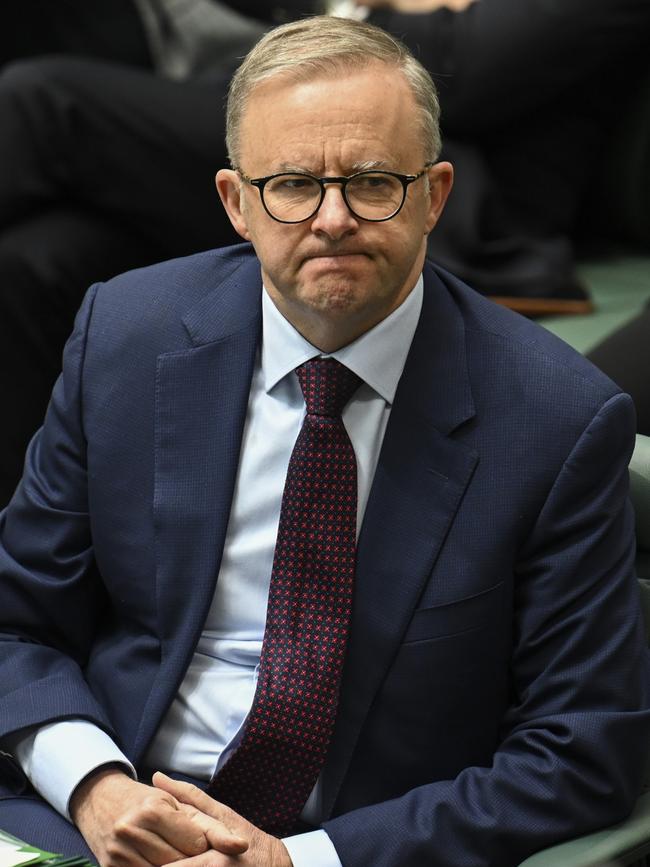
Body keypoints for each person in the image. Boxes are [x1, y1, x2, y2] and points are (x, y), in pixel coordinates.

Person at [0, 15, 649, 867]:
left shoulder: (557, 420)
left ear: (434, 195)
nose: (333, 219)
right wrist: (94, 785)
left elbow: (580, 750)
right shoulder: (124, 337)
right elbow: (16, 624)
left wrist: (297, 861)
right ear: (236, 202)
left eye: (374, 182)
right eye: (294, 185)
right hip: (103, 825)